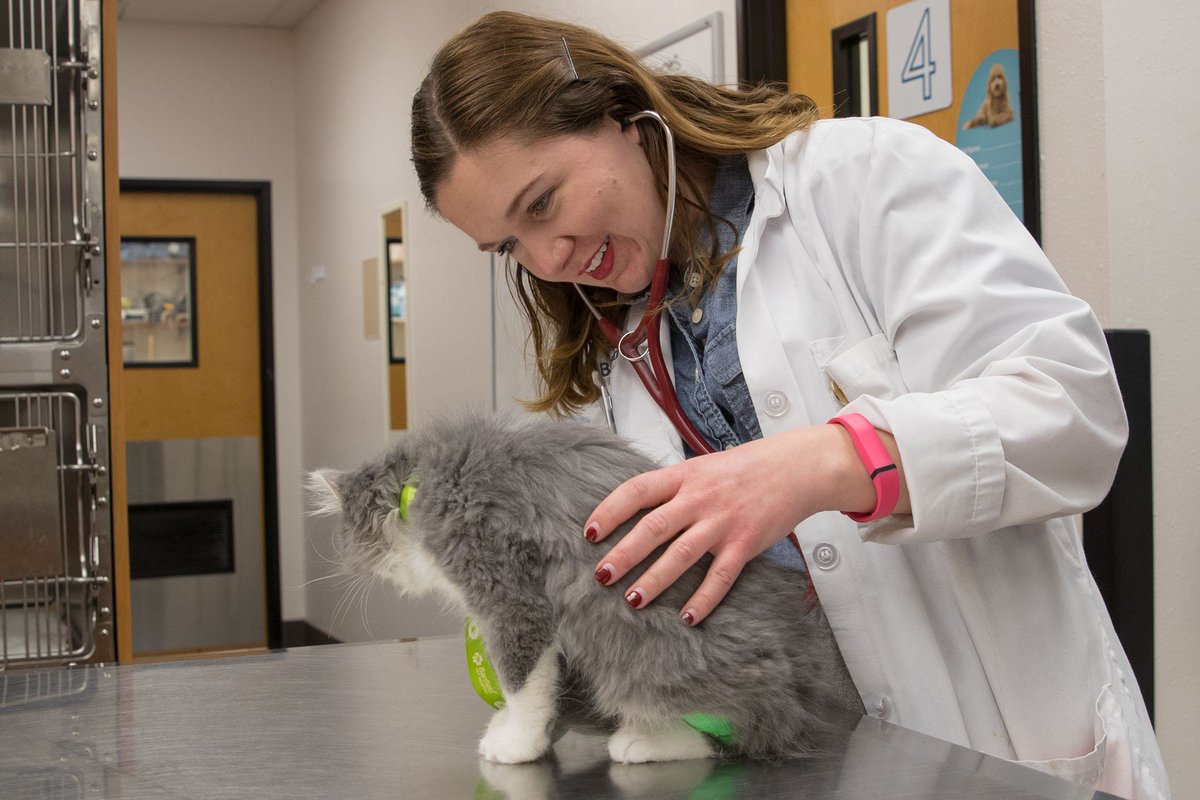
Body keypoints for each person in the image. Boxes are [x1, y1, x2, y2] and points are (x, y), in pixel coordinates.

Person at [412, 11, 1170, 799]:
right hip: (795, 764)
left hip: (990, 742)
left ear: (618, 114)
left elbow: (1073, 408)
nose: (547, 260)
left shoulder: (864, 180)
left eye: (542, 204)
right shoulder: (627, 348)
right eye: (508, 247)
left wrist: (826, 463)